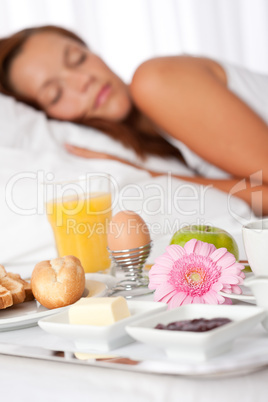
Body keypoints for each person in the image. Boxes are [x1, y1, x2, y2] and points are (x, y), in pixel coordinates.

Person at [0, 25, 267, 216]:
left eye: (78, 58)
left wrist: (149, 176)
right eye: (56, 94)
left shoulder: (156, 80)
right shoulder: (152, 141)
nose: (83, 81)